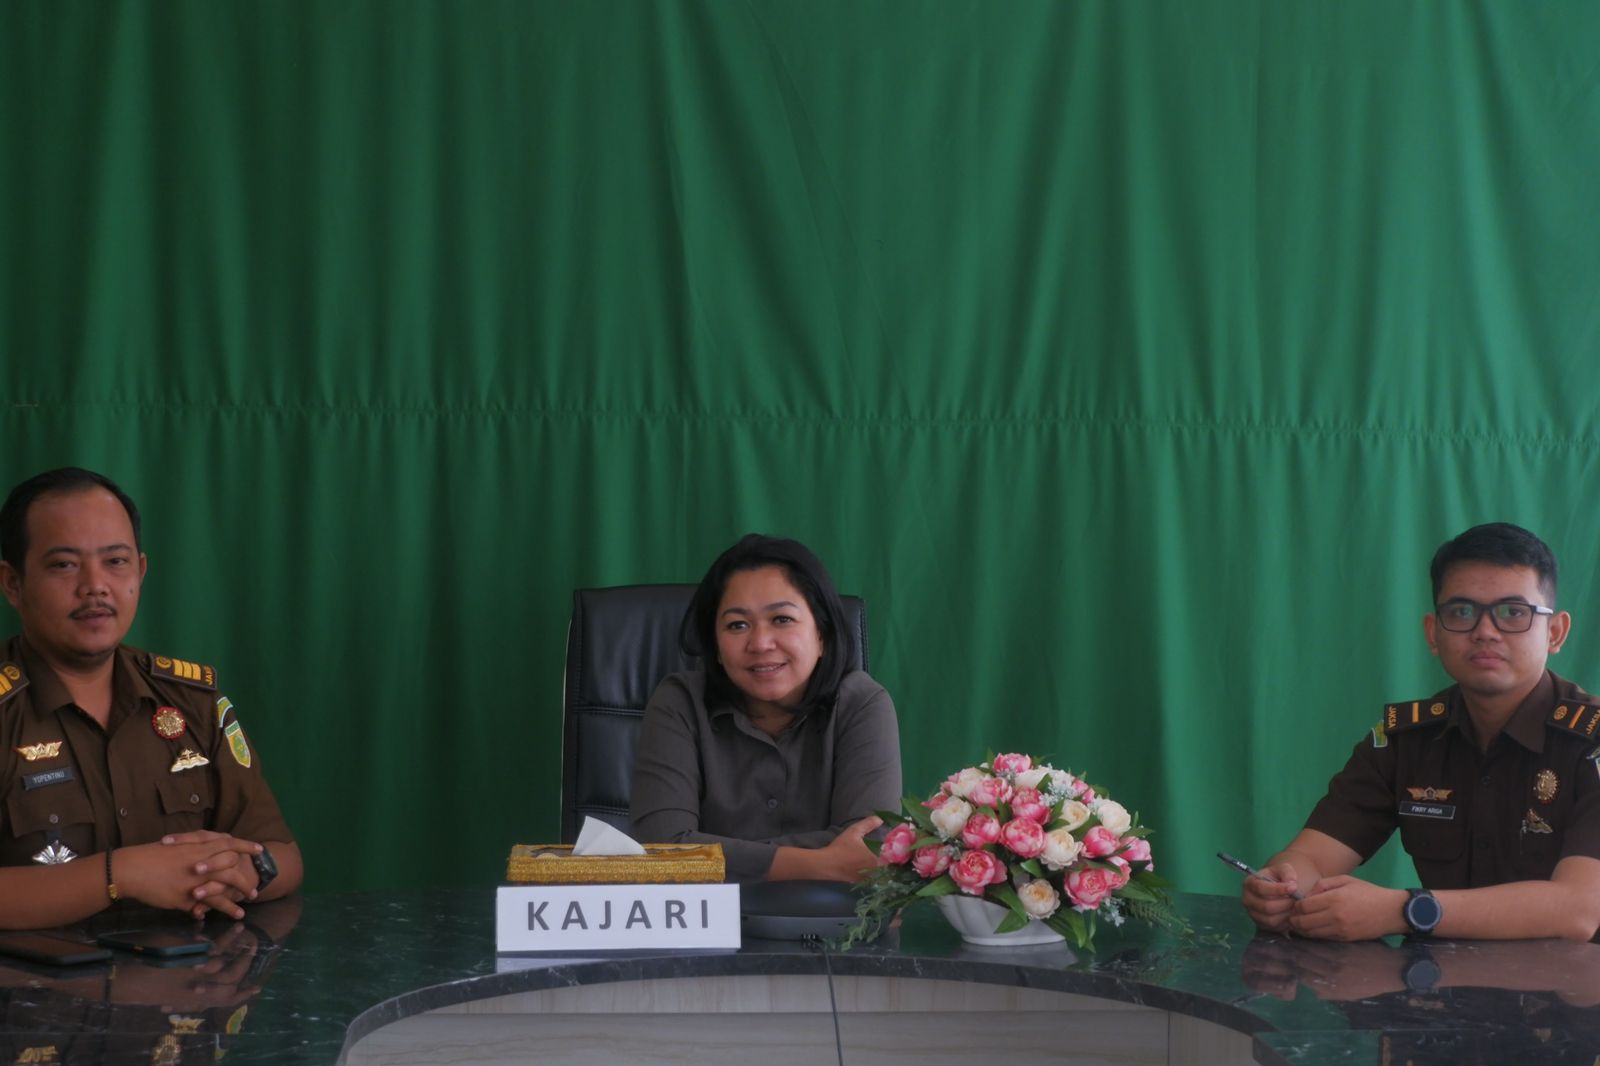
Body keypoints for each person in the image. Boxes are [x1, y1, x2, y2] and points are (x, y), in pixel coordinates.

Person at [1243, 523, 1600, 941]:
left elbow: (1579, 909)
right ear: (1433, 633)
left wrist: (1406, 910)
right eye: (1461, 612)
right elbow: (1310, 858)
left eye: (1513, 612)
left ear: (1555, 632)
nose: (1485, 631)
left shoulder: (1590, 741)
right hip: (1438, 979)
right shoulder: (1406, 741)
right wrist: (1280, 886)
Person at [0, 468, 302, 929]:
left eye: (115, 561)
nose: (95, 585)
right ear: (12, 583)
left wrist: (245, 870)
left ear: (140, 572)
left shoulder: (192, 701)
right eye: (64, 565)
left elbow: (284, 856)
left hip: (188, 972)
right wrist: (118, 876)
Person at [629, 534, 902, 884]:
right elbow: (661, 849)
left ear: (822, 634)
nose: (760, 643)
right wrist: (822, 863)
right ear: (715, 647)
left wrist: (711, 853)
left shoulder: (861, 702)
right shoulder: (679, 701)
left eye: (782, 619)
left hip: (827, 917)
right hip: (702, 918)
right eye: (737, 625)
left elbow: (870, 844)